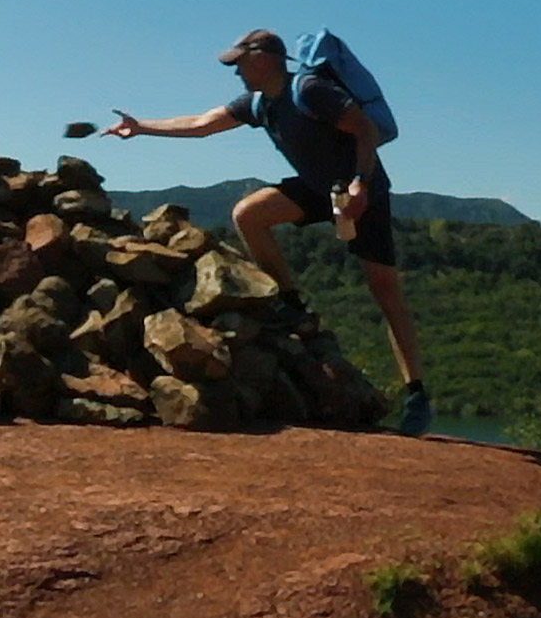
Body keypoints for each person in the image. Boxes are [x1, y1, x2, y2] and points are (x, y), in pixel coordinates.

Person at [103, 29, 432, 436]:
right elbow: (202, 124)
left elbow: (364, 129)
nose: (237, 72)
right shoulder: (260, 104)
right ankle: (291, 303)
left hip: (361, 194)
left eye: (240, 63)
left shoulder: (310, 91)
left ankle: (416, 393)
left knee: (384, 291)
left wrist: (361, 184)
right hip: (317, 190)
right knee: (248, 214)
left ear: (264, 58)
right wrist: (141, 127)